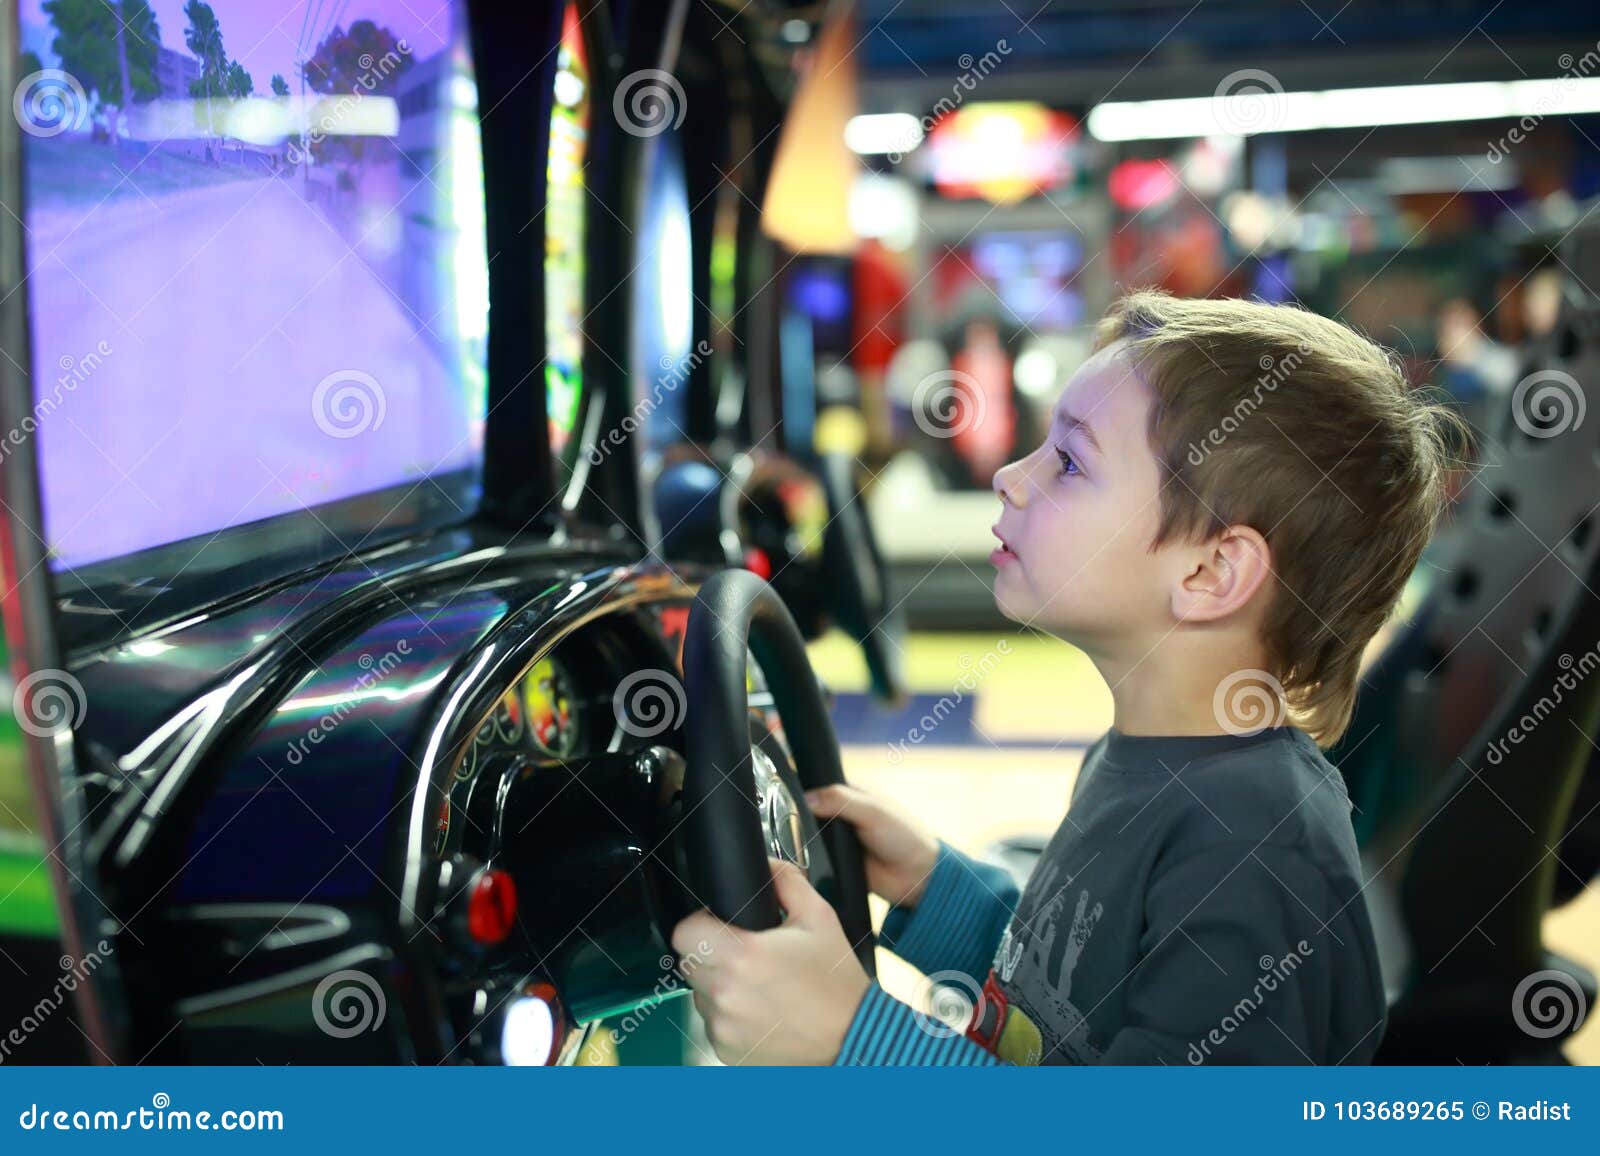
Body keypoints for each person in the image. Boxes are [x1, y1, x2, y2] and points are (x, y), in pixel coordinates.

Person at [671, 289, 1464, 1065]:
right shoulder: (1141, 756)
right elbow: (1072, 1004)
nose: (1012, 476)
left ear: (1213, 569)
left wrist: (855, 1043)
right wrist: (936, 886)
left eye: (1070, 463)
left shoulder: (1258, 847)